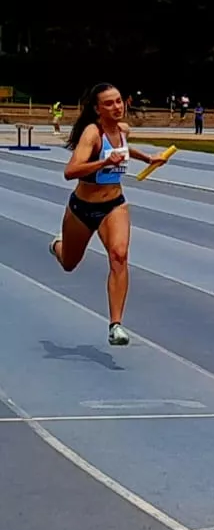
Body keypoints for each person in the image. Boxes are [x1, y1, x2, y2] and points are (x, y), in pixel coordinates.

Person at [49, 84, 164, 346]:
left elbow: (123, 150)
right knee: (68, 263)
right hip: (82, 207)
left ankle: (116, 325)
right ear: (97, 109)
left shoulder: (122, 130)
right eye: (109, 103)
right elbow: (71, 170)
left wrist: (148, 159)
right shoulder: (92, 133)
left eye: (119, 101)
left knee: (119, 256)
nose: (117, 106)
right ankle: (57, 244)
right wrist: (103, 163)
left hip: (114, 205)